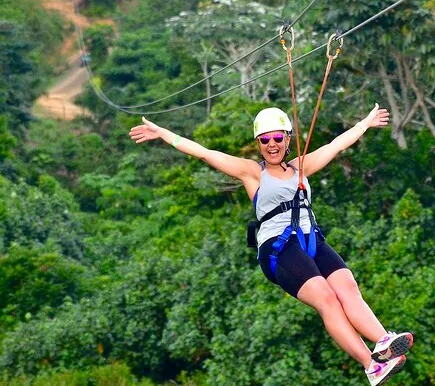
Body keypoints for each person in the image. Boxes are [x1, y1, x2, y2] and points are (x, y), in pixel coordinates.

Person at [129, 104, 413, 385]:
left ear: (287, 139)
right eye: (265, 140)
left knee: (347, 285)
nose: (272, 144)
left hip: (310, 239)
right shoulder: (253, 172)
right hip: (279, 247)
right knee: (326, 297)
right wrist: (163, 133)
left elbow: (336, 145)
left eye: (277, 137)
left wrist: (365, 123)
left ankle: (383, 342)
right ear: (259, 144)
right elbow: (204, 153)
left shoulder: (301, 167)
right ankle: (370, 365)